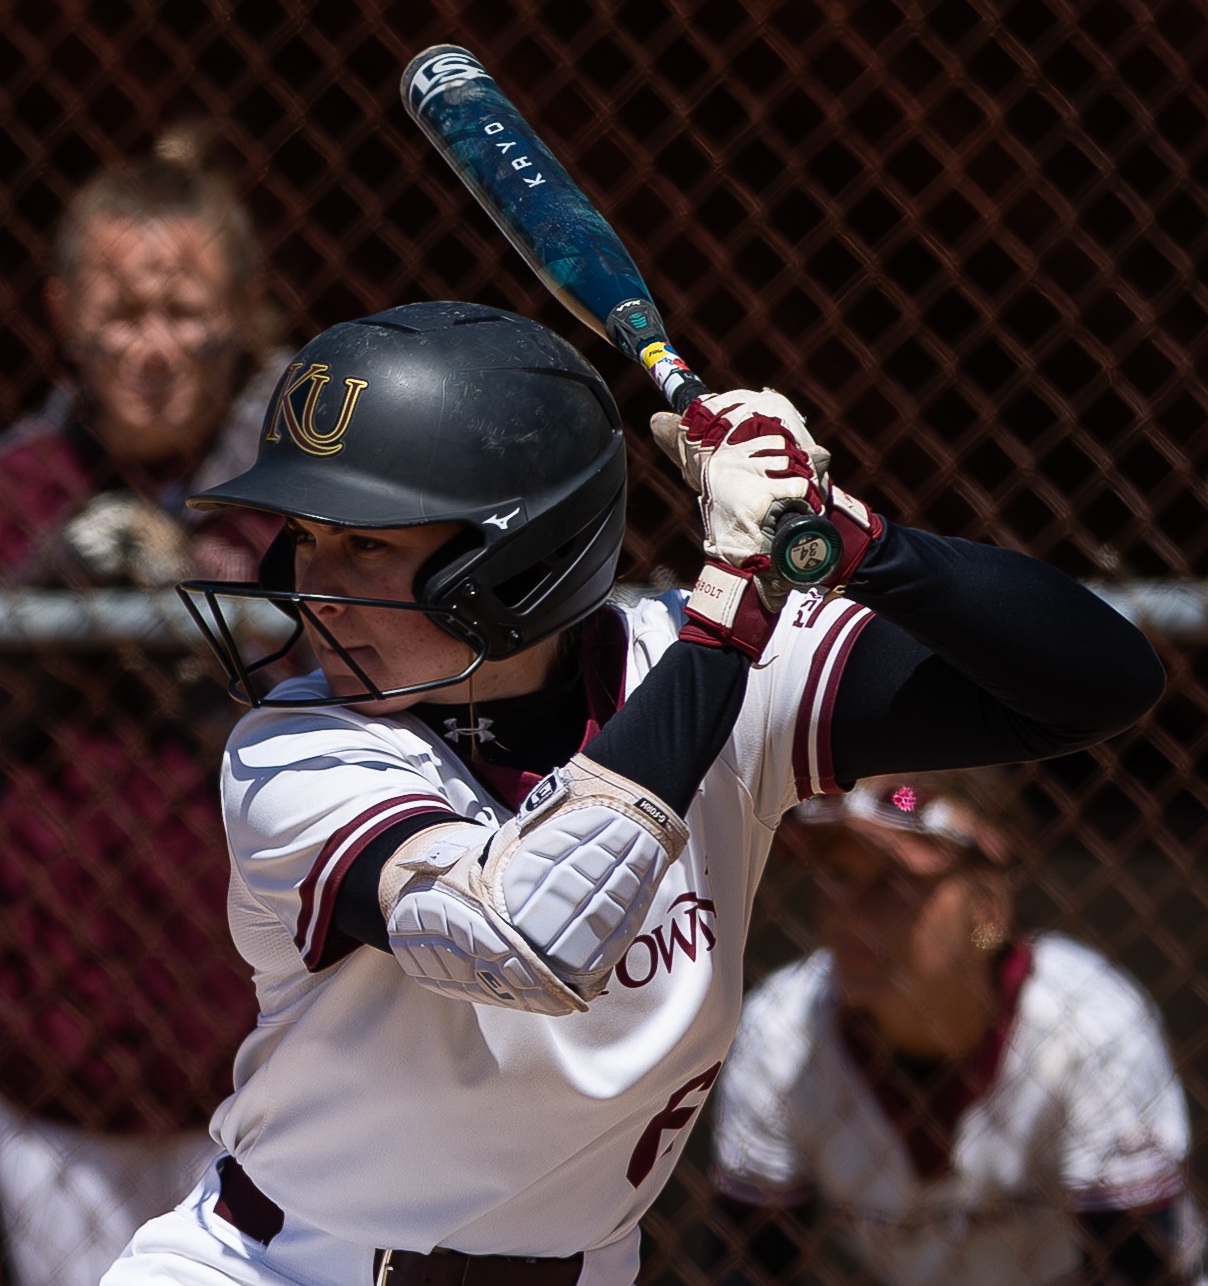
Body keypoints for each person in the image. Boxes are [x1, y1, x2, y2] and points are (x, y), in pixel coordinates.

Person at [101, 300, 1165, 1286]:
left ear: (513, 561)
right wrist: (728, 614)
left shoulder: (708, 660)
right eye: (310, 538)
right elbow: (523, 937)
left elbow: (1089, 685)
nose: (311, 584)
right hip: (282, 1268)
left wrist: (853, 538)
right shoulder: (294, 754)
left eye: (367, 544)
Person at [0, 130, 283, 1286]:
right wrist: (50, 594)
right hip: (56, 1062)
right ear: (63, 316)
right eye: (121, 314)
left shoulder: (309, 500)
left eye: (183, 311)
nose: (152, 349)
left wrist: (187, 627)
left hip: (276, 1062)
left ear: (244, 312)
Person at [708, 768, 1199, 1286]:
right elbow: (748, 1264)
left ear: (988, 903)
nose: (850, 914)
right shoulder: (782, 1030)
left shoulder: (1092, 1025)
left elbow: (1142, 1270)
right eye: (837, 875)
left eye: (893, 882)